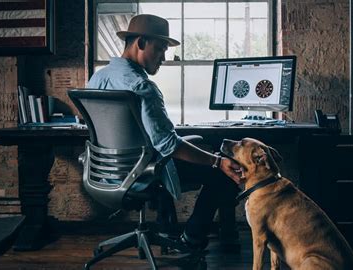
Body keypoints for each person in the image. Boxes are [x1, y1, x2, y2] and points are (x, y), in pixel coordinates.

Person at [87, 14, 242, 251]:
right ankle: (192, 239)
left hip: (107, 173)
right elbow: (169, 145)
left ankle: (167, 229)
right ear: (140, 43)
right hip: (141, 173)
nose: (164, 58)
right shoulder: (143, 86)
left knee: (201, 150)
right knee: (223, 170)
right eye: (160, 49)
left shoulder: (97, 79)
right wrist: (218, 162)